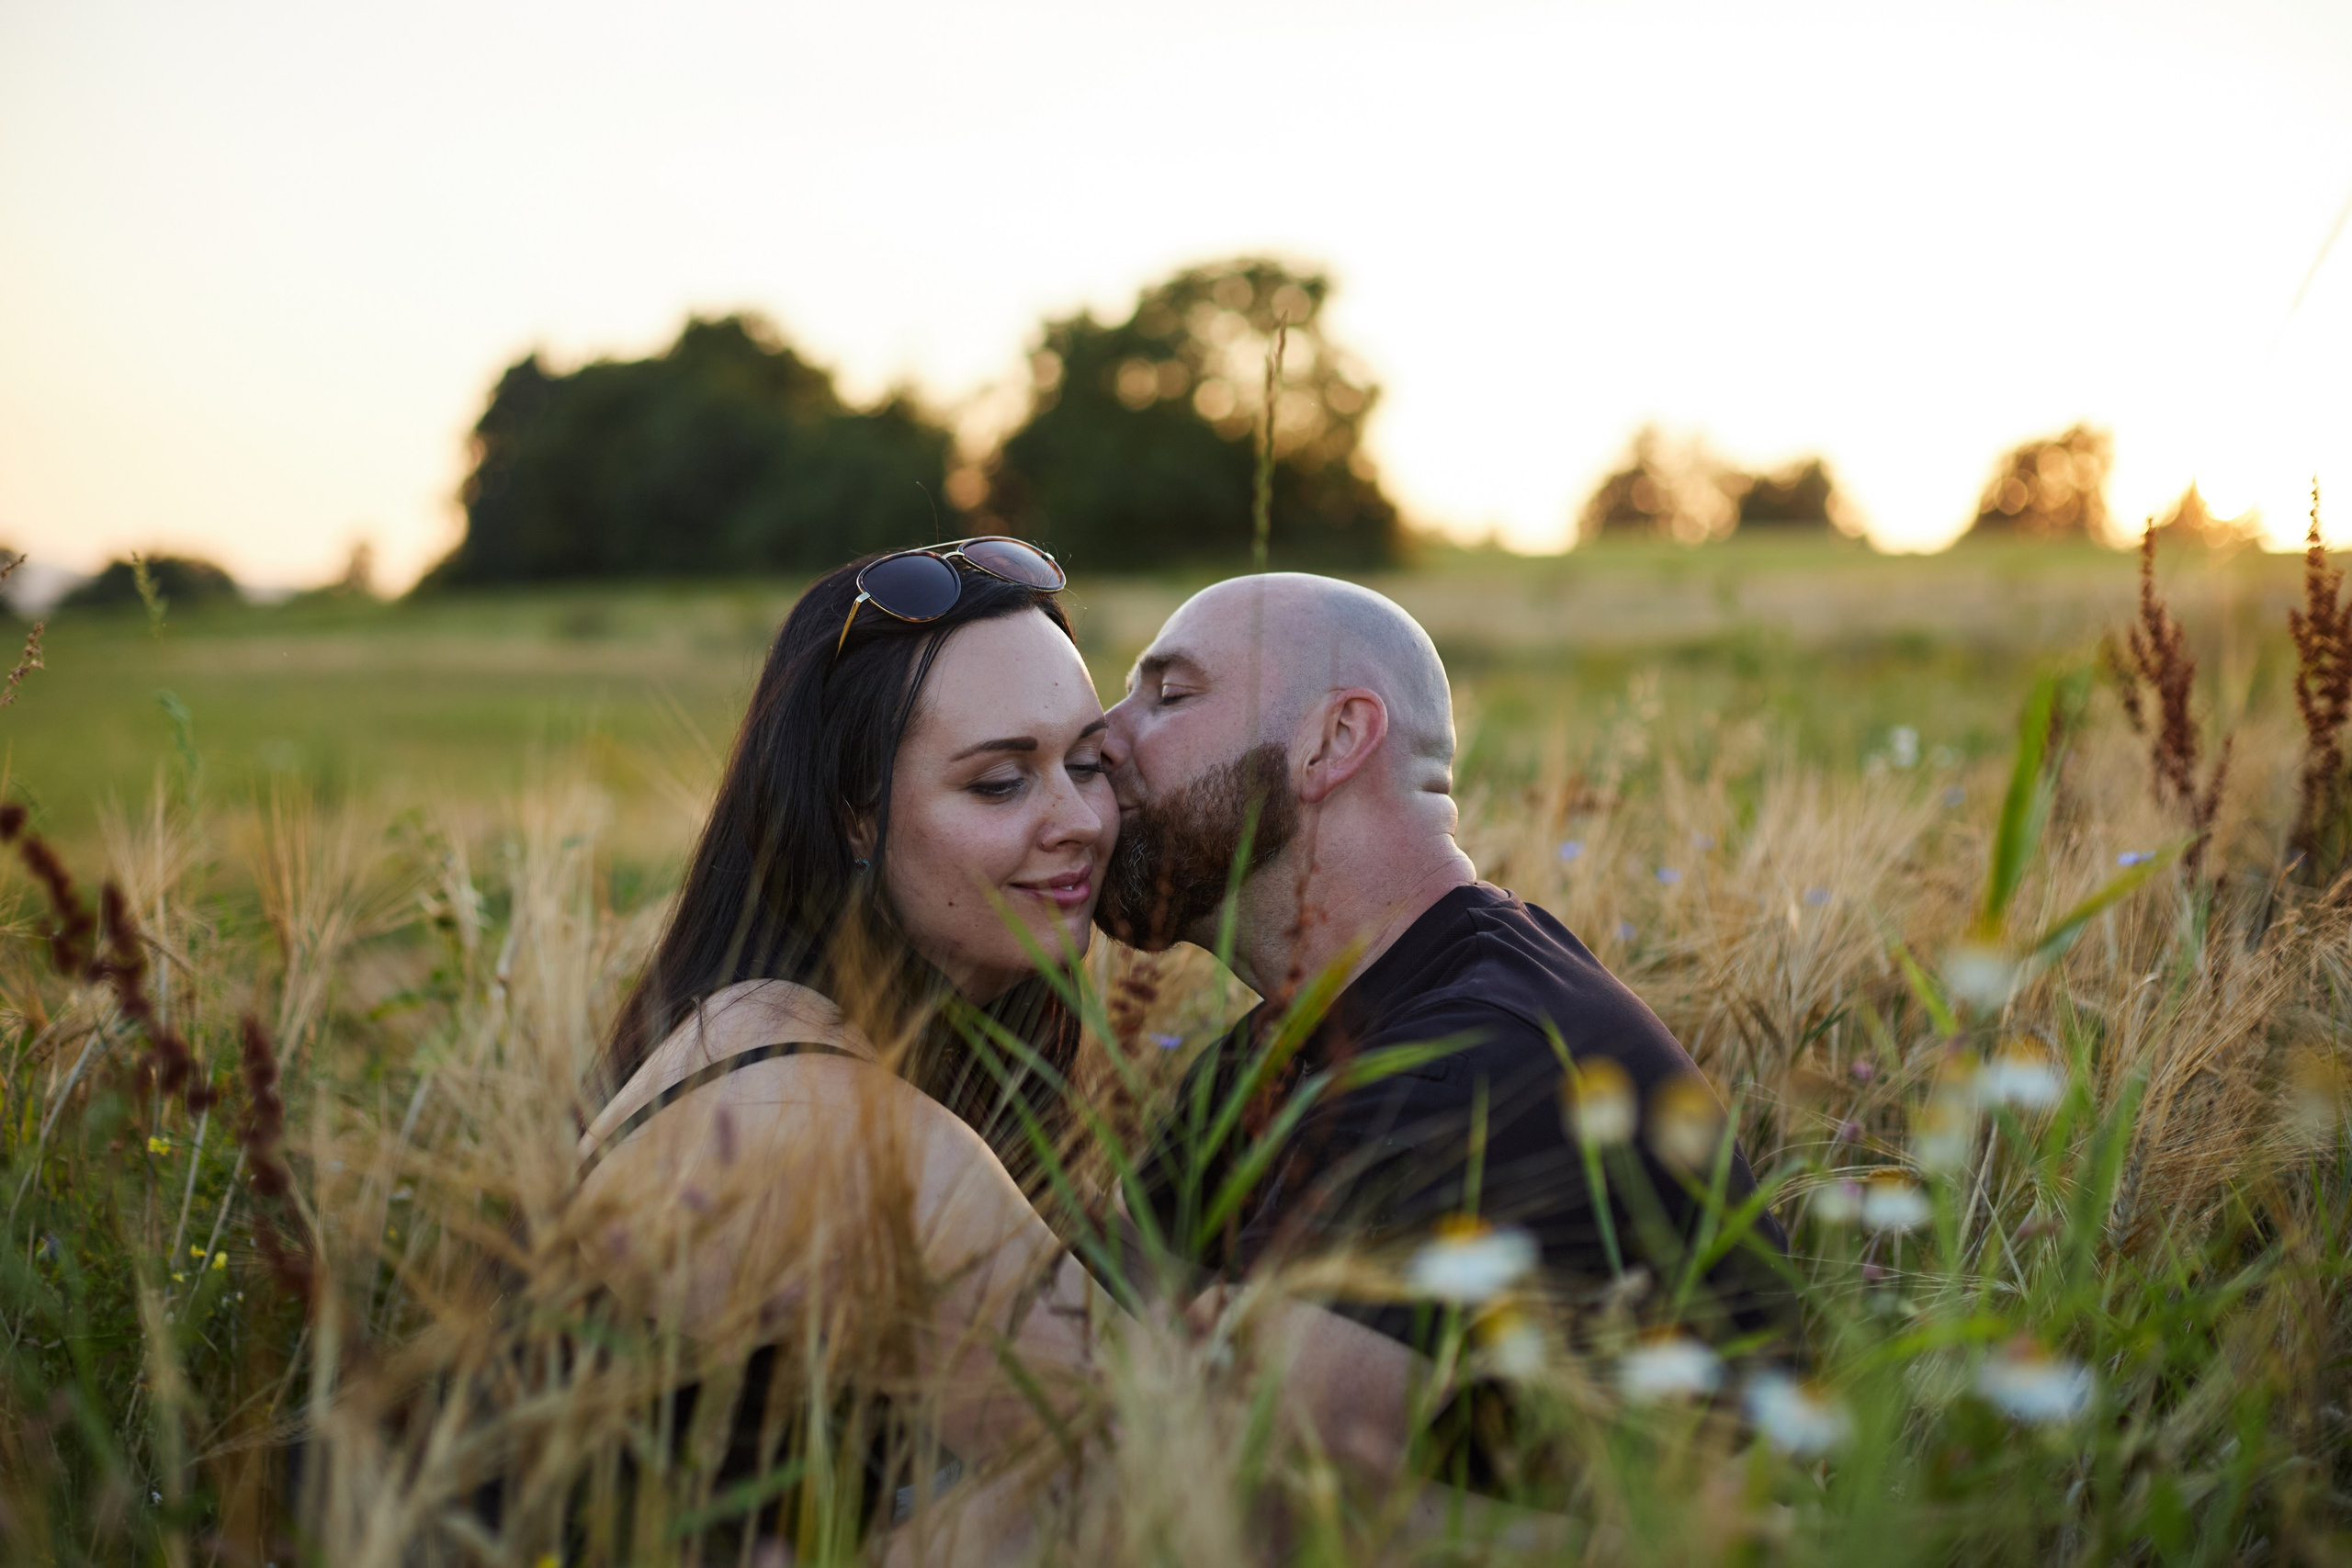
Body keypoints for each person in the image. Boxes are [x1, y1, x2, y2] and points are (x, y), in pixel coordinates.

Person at [573, 543, 1419, 1562]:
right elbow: (1197, 1490)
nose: (1081, 822)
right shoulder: (820, 1130)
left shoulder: (824, 1042)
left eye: (1088, 765)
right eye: (1001, 782)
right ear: (854, 817)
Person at [1096, 573, 1792, 1371]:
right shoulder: (1276, 1051)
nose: (1102, 738)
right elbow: (1095, 1317)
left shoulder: (1474, 1070)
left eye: (1170, 696)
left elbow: (1231, 1435)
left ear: (1333, 740)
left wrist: (967, 1174)